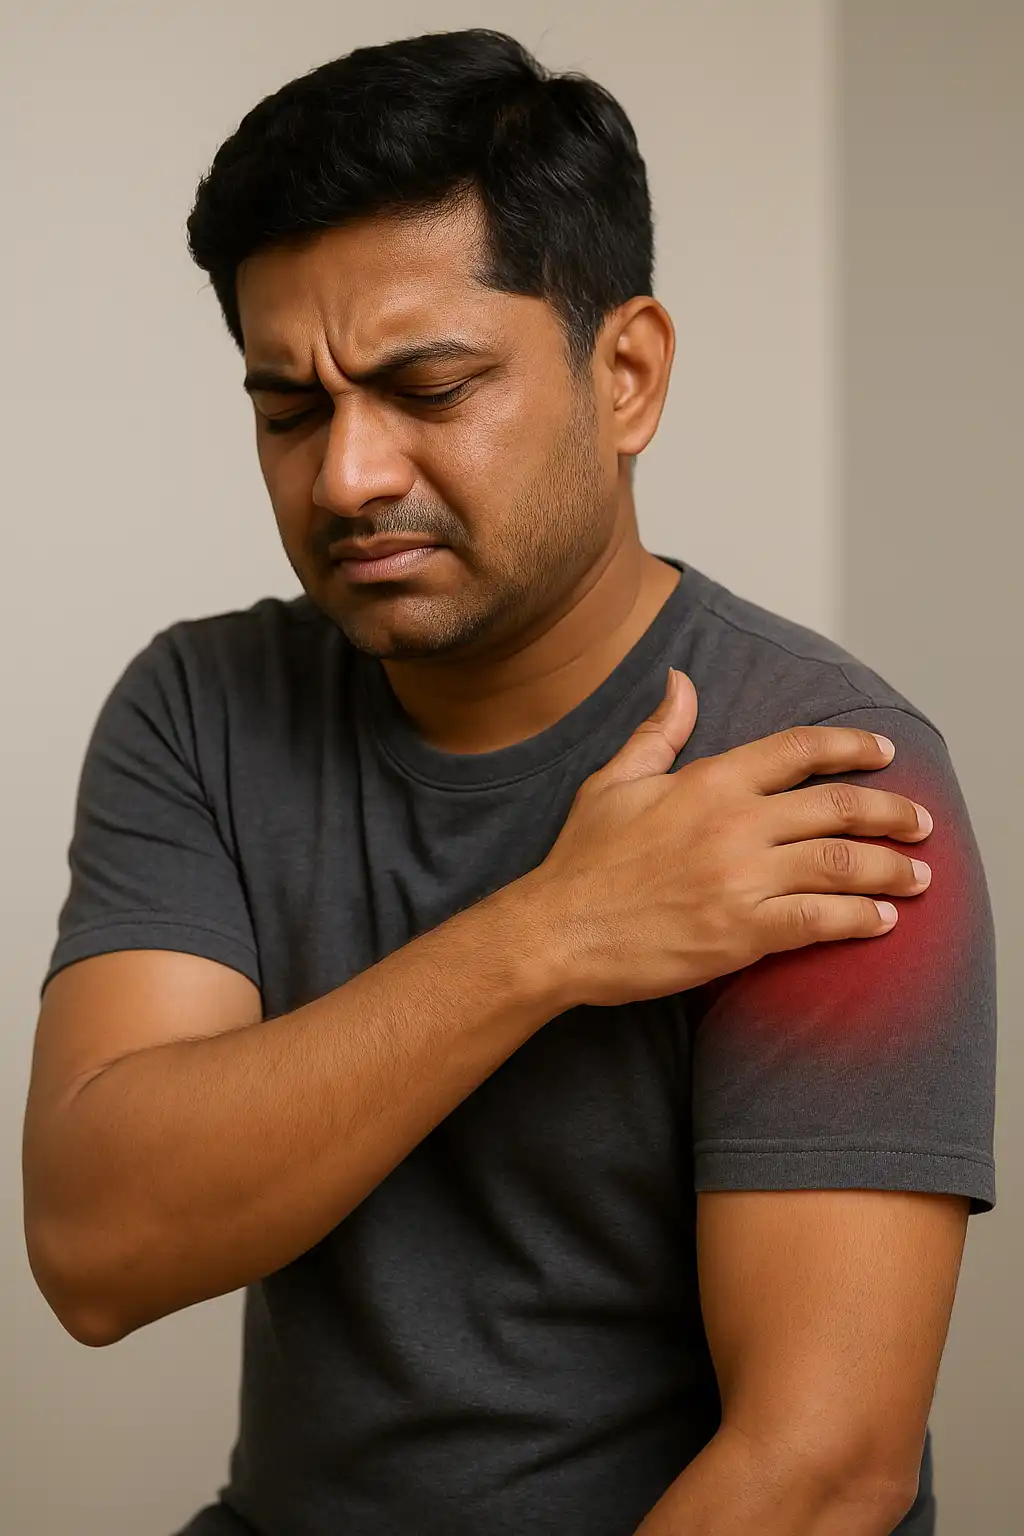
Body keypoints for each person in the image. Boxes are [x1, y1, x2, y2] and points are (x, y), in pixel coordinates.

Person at [22, 28, 995, 1536]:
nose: (346, 475)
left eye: (428, 387)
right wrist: (555, 934)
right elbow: (97, 1245)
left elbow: (821, 1475)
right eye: (290, 410)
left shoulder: (827, 772)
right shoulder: (205, 705)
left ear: (627, 373)